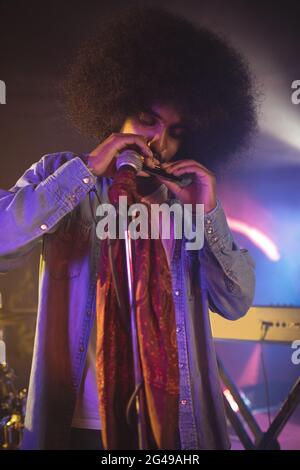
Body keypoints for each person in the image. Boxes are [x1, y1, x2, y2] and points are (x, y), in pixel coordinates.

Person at [0, 6, 256, 450]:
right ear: (114, 107)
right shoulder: (62, 174)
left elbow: (235, 303)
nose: (158, 141)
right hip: (77, 424)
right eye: (146, 118)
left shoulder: (188, 201)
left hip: (175, 425)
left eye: (176, 130)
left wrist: (208, 214)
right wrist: (85, 172)